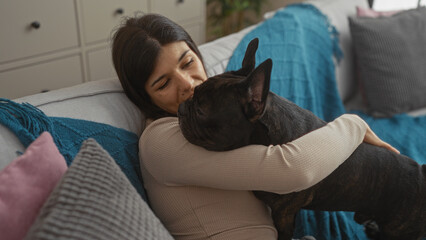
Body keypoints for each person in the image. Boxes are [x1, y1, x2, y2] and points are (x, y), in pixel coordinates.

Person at [111, 14, 399, 240]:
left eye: (188, 63)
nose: (187, 84)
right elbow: (294, 170)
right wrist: (353, 124)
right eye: (163, 83)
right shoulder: (162, 140)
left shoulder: (219, 116)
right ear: (142, 96)